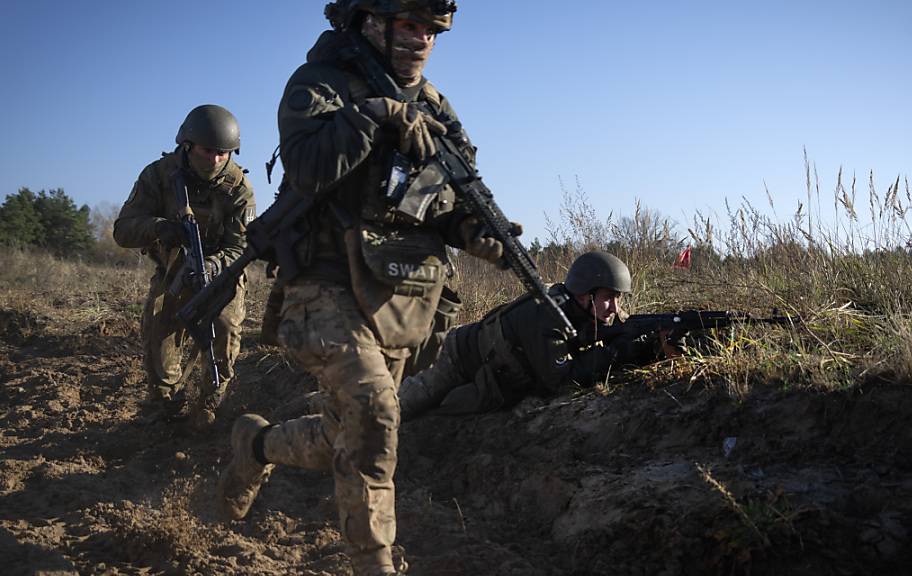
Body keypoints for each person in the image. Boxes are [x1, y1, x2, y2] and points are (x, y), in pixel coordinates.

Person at [216, 2, 503, 574]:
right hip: (320, 286)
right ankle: (374, 564)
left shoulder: (437, 107)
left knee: (345, 435)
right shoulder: (319, 85)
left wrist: (480, 232)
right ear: (369, 22)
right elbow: (308, 169)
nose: (420, 40)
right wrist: (375, 115)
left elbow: (442, 200)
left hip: (397, 296)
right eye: (408, 26)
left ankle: (256, 446)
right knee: (373, 412)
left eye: (430, 31)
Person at [114, 104, 255, 427]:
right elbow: (122, 230)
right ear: (188, 145)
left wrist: (214, 264)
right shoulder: (158, 175)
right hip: (173, 270)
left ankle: (209, 402)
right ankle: (165, 403)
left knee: (224, 330)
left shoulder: (239, 188)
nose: (216, 159)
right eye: (209, 150)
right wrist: (160, 227)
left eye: (224, 153)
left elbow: (243, 247)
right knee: (159, 334)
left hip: (222, 275)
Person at [399, 251, 659, 419]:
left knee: (441, 413)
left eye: (618, 298)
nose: (615, 307)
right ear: (584, 294)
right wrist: (615, 353)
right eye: (608, 298)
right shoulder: (547, 315)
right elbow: (560, 381)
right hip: (451, 356)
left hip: (488, 372)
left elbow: (624, 331)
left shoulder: (592, 310)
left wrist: (650, 344)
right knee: (395, 410)